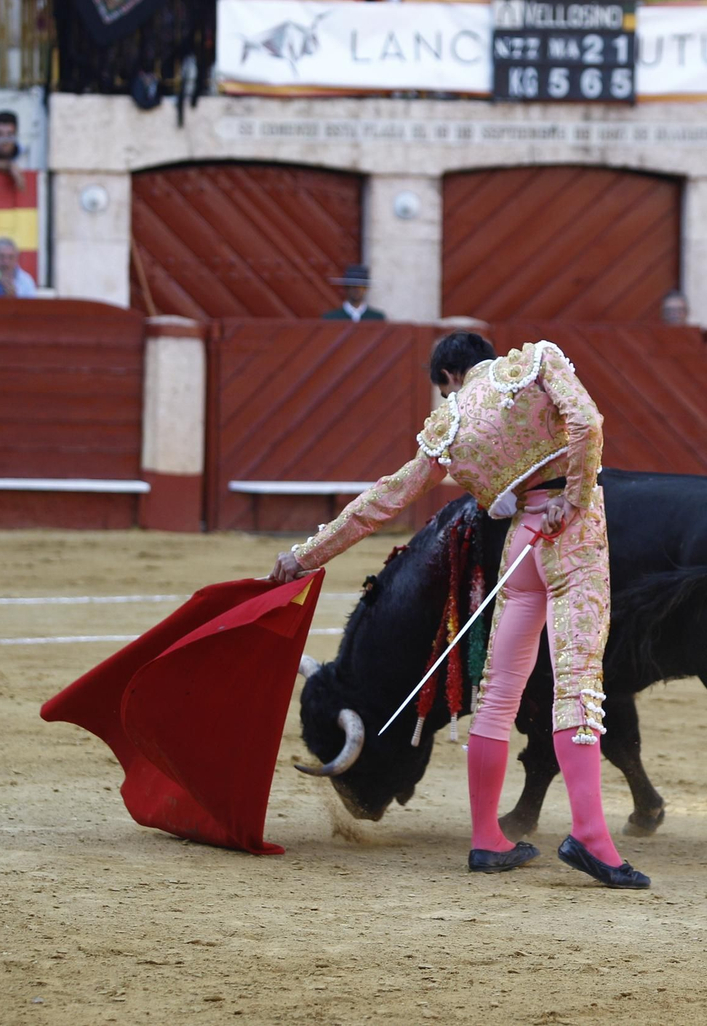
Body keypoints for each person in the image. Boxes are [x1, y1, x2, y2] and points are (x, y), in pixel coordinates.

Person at [268, 332, 649, 890]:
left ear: (448, 377)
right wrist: (576, 491)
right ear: (483, 358)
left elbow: (383, 500)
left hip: (520, 543)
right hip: (572, 535)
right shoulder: (536, 362)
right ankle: (591, 836)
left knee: (497, 694)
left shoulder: (448, 426)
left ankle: (486, 839)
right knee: (577, 686)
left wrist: (304, 556)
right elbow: (588, 424)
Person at [319, 264, 387, 321]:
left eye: (361, 286)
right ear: (346, 287)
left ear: (366, 288)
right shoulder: (331, 318)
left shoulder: (377, 318)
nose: (357, 289)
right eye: (353, 285)